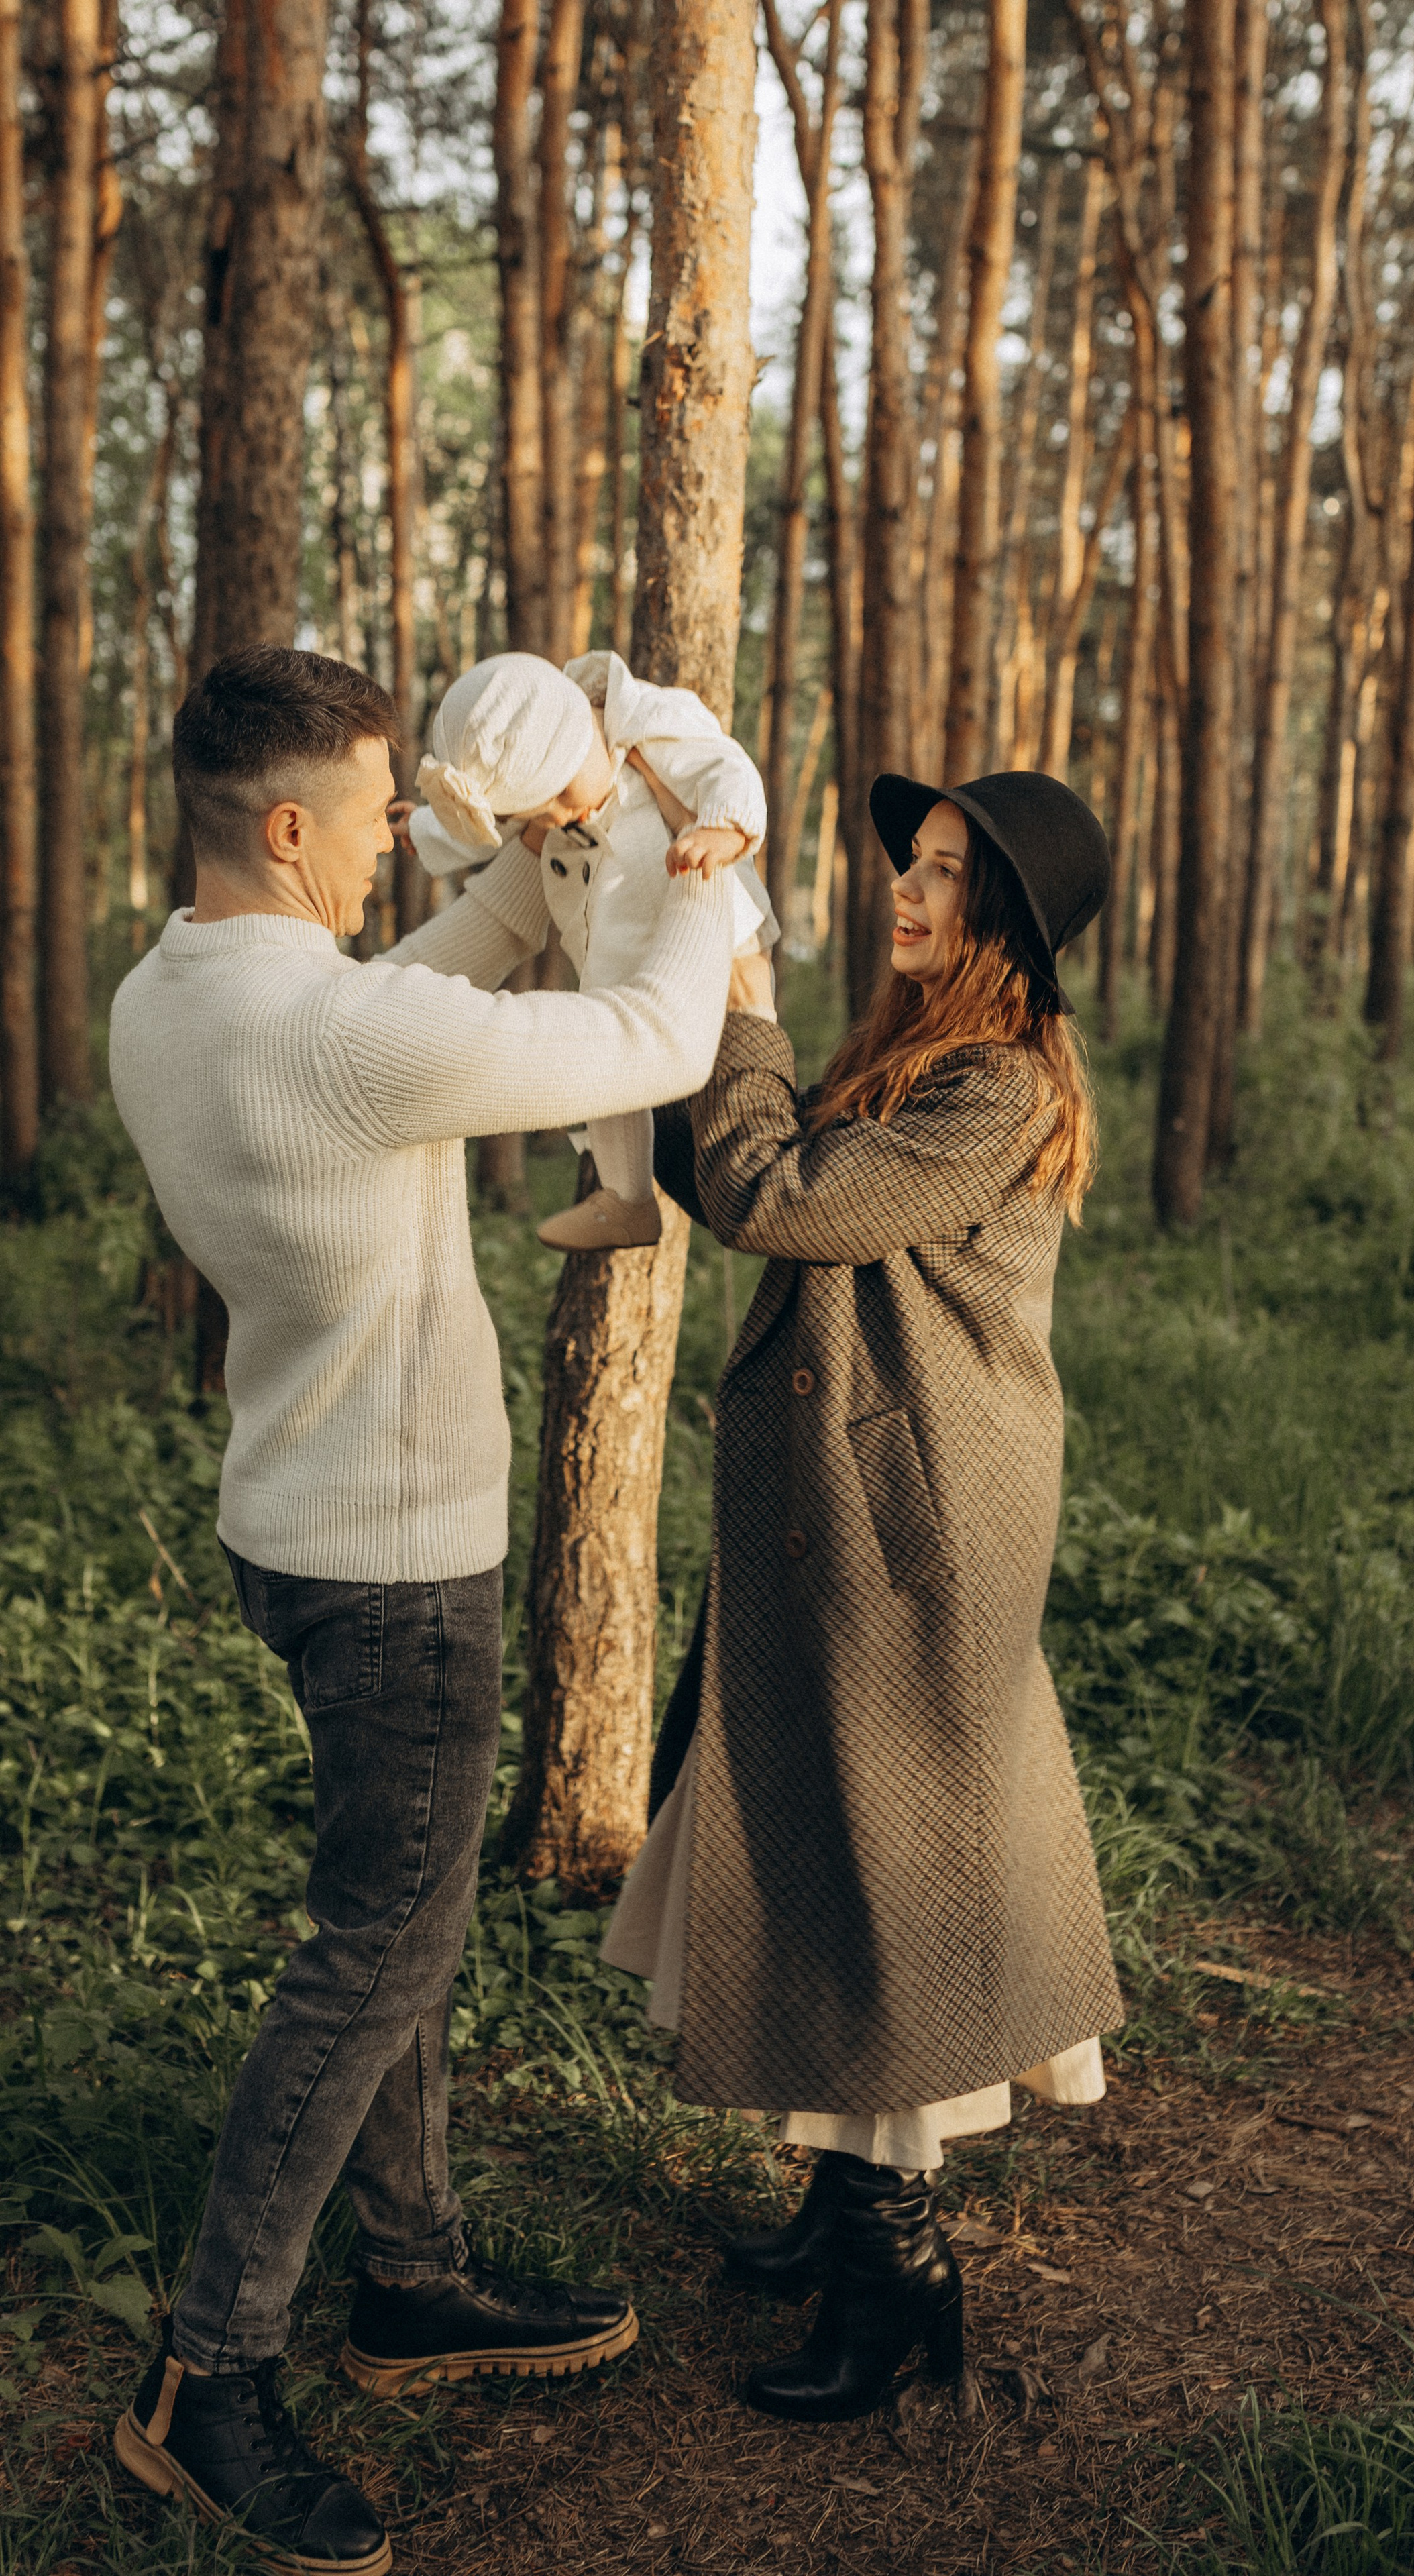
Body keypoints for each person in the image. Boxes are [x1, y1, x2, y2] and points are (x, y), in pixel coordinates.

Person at [105, 646, 736, 2574]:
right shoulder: (339, 1040)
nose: (401, 834)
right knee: (371, 1952)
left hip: (295, 1526)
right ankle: (213, 2377)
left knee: (410, 1918)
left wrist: (509, 887)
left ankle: (412, 2280)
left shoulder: (171, 994)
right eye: (378, 811)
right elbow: (657, 1046)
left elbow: (394, 1003)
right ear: (288, 827)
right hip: (399, 1570)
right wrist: (702, 858)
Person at [602, 768, 1126, 2424]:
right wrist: (674, 999)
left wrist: (740, 1000)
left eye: (950, 875)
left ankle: (895, 2280)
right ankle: (840, 2208)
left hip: (912, 1535)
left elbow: (788, 1201)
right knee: (823, 1844)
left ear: (1010, 928)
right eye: (911, 858)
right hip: (844, 1518)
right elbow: (730, 1178)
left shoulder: (1000, 1086)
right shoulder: (909, 1056)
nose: (908, 886)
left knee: (890, 1874)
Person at [408, 647, 777, 1254]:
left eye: (558, 795)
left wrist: (722, 827)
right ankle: (625, 1197)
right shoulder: (560, 783)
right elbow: (493, 824)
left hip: (715, 932)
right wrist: (423, 829)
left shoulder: (650, 725)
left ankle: (769, 1154)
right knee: (606, 1050)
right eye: (540, 814)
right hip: (619, 938)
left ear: (578, 732)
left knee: (746, 1042)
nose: (559, 818)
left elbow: (725, 770)